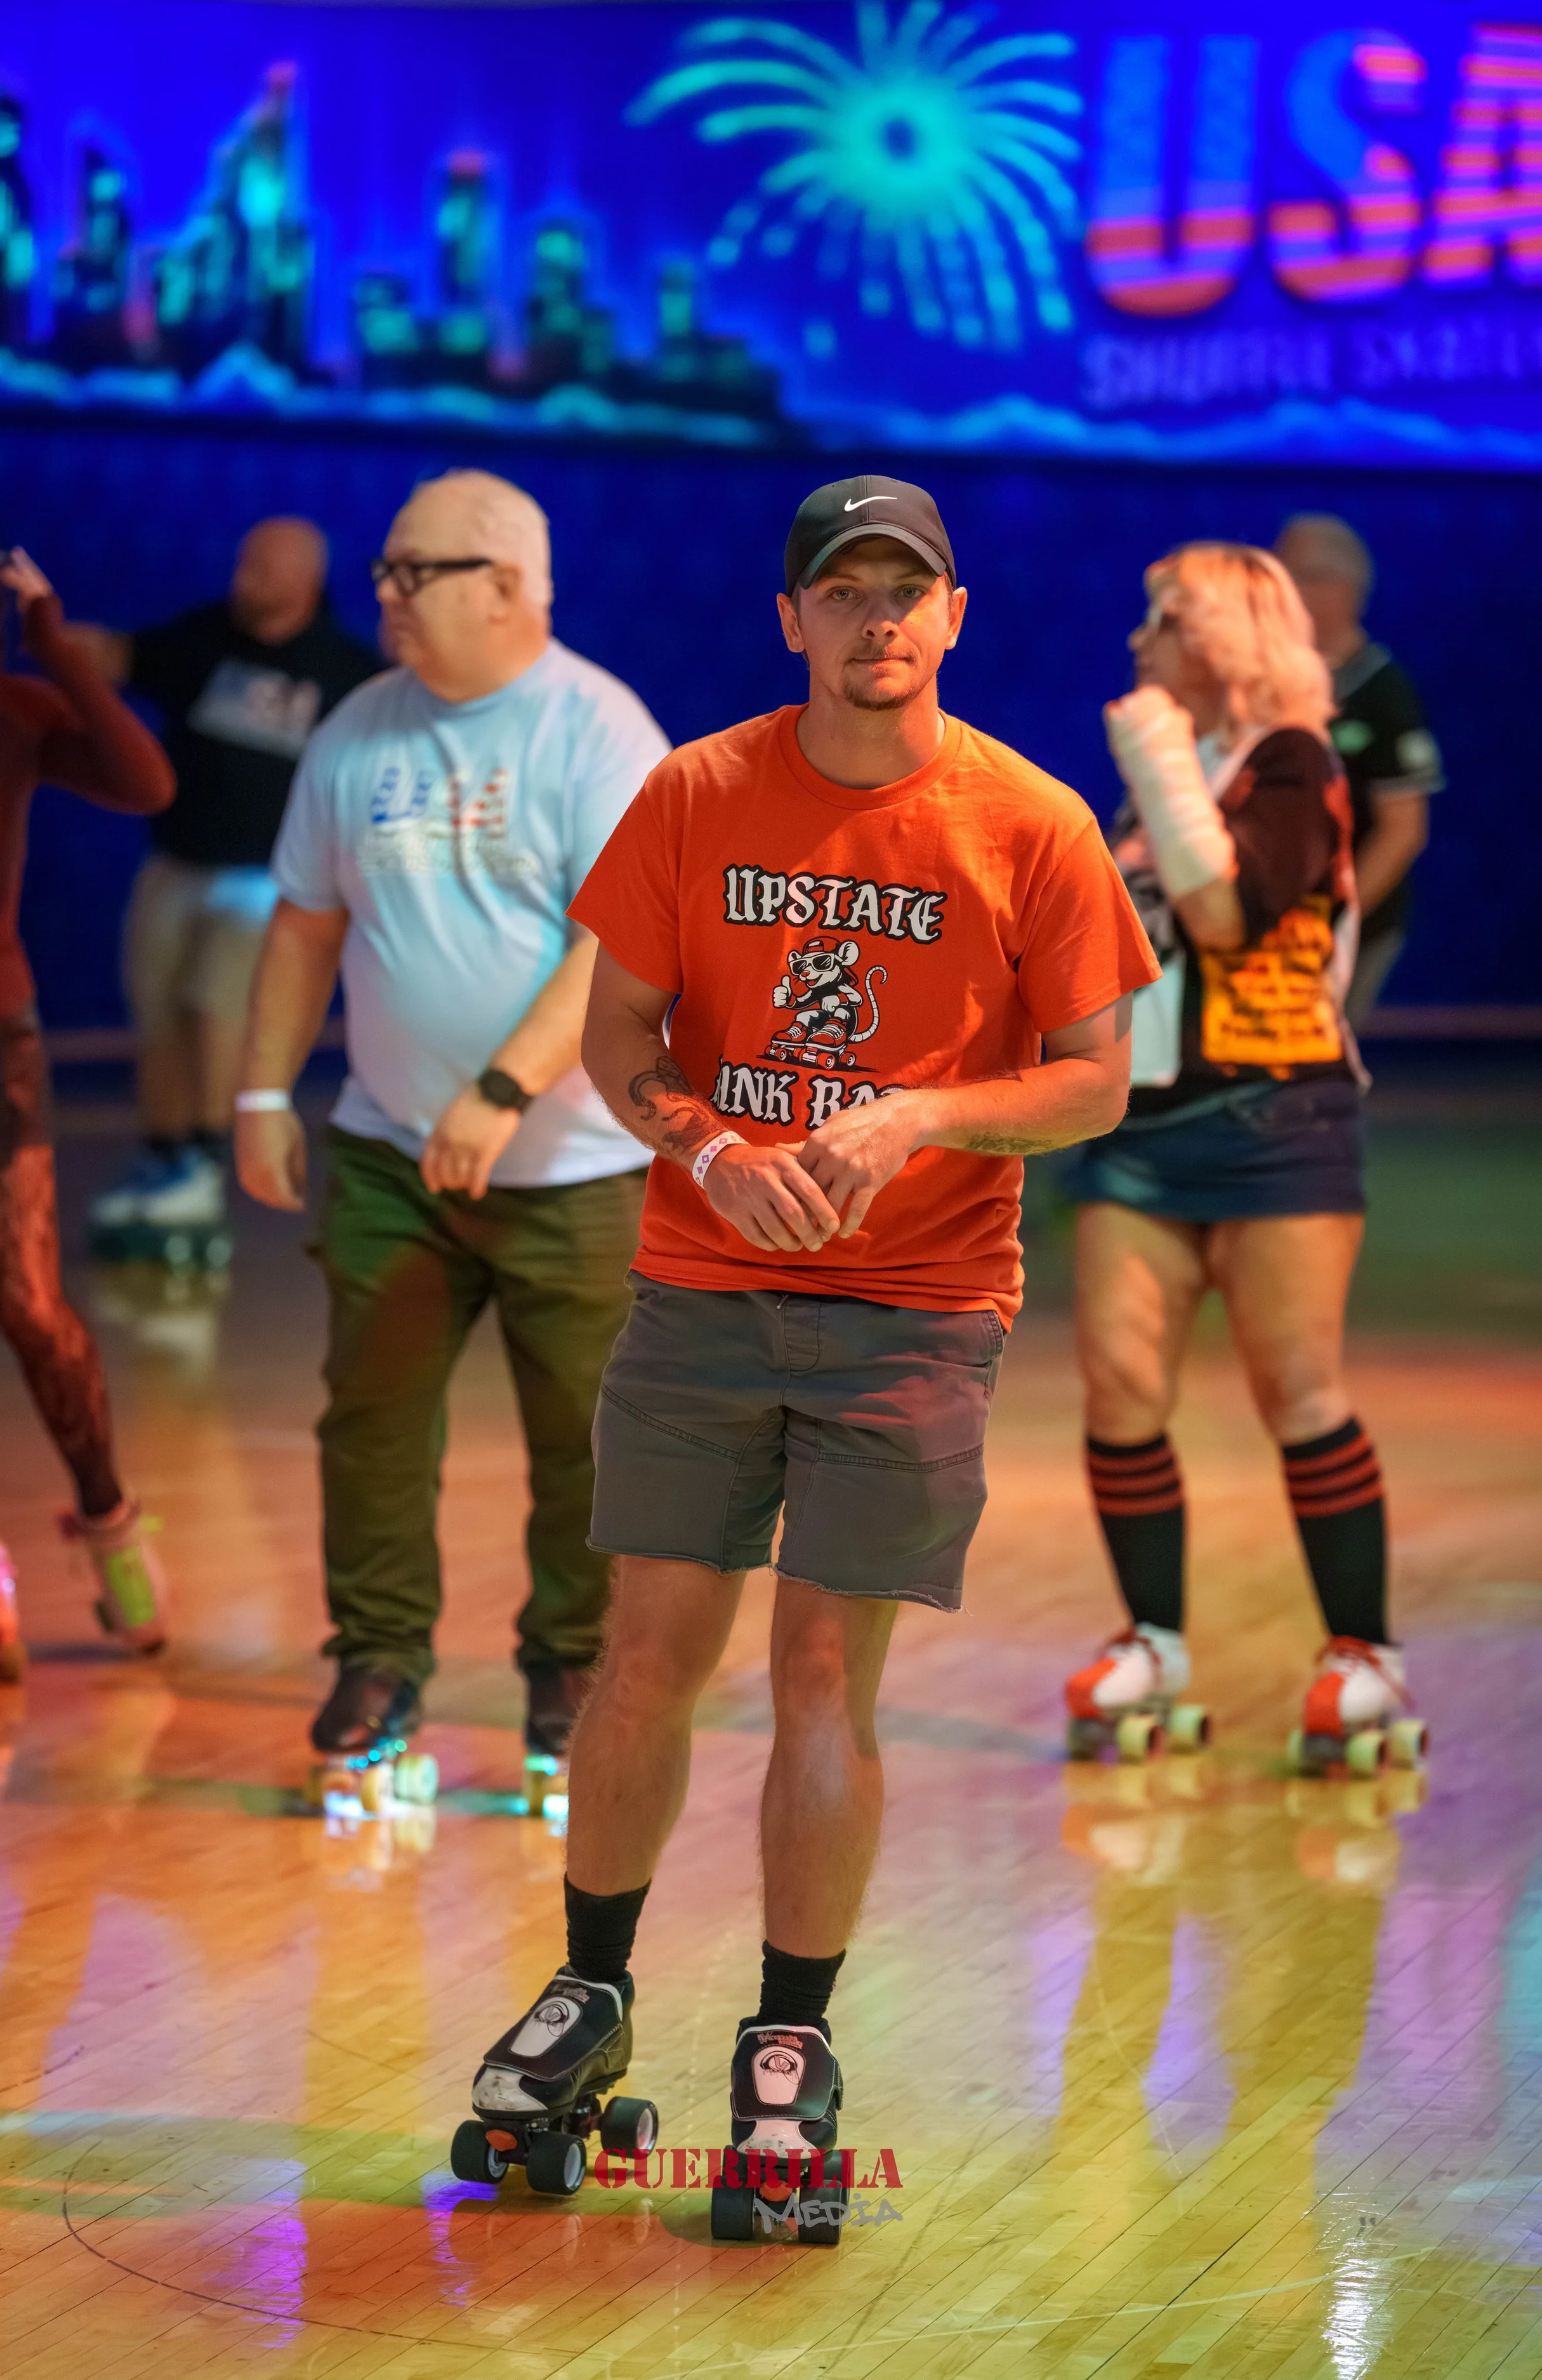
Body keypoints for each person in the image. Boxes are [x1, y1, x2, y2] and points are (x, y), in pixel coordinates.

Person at [460, 477, 1156, 2220]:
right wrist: (705, 1142)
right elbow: (620, 1035)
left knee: (822, 1678)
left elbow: (1093, 1073)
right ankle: (593, 1983)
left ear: (952, 614)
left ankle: (787, 2042)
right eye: (840, 592)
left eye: (903, 593)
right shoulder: (696, 792)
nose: (876, 622)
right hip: (701, 1284)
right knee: (645, 1654)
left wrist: (916, 1114)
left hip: (916, 1313)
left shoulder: (1031, 819)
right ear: (790, 619)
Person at [233, 470, 668, 1782]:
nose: (385, 594)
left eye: (413, 572)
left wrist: (500, 1092)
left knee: (587, 1438)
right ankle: (378, 1659)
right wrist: (261, 1093)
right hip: (387, 1150)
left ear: (508, 585)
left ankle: (568, 1665)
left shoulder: (598, 730)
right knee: (369, 1417)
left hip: (578, 1163)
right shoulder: (356, 731)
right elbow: (305, 924)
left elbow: (619, 948)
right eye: (385, 571)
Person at [1060, 543, 1420, 1776]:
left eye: (1161, 620)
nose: (1135, 644)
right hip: (1141, 1127)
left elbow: (1224, 915)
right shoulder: (1167, 781)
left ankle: (1361, 1654)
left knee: (1295, 1393)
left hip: (1276, 1122)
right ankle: (1151, 1643)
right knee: (1117, 1389)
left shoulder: (1292, 762)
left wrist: (1153, 757)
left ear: (1224, 638)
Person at [0, 517, 176, 1677]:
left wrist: (51, 637)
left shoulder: (10, 709)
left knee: (31, 1307)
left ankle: (108, 1521)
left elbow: (146, 782)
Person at [79, 519, 380, 1253]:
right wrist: (51, 639)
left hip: (266, 884)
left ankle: (205, 1164)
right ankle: (165, 1158)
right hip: (176, 865)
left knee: (218, 1011)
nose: (246, 579)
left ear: (307, 580)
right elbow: (121, 657)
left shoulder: (346, 671)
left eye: (265, 569)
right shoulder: (202, 637)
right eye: (245, 563)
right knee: (160, 1017)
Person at [1274, 515, 1444, 1027]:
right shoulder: (1265, 680)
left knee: (1313, 1071)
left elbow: (1403, 830)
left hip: (1350, 925)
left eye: (1297, 576)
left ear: (1343, 588)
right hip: (1265, 920)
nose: (1283, 592)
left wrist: (1333, 923)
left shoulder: (1383, 692)